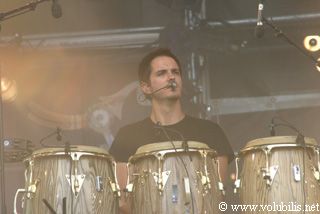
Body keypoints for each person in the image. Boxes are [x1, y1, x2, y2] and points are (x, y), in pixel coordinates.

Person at [109, 48, 234, 213]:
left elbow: (218, 195)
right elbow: (124, 202)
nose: (171, 77)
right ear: (146, 87)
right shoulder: (128, 135)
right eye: (161, 73)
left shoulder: (210, 131)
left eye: (175, 72)